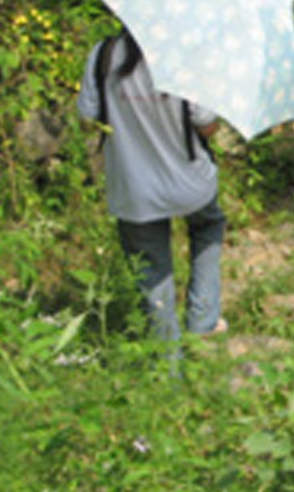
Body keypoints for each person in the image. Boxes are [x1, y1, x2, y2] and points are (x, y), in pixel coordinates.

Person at [77, 28, 226, 342]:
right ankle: (202, 321)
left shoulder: (103, 55)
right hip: (188, 182)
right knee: (208, 226)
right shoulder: (186, 57)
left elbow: (87, 118)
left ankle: (166, 359)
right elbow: (208, 126)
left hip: (134, 188)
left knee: (151, 269)